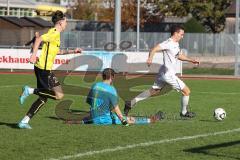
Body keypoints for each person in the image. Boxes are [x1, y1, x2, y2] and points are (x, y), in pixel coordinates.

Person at [18, 10, 82, 129]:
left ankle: (24, 121)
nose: (66, 24)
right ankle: (29, 90)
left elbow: (58, 51)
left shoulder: (56, 35)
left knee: (44, 97)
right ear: (60, 22)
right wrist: (33, 55)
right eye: (66, 21)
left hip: (46, 69)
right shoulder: (53, 33)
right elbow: (39, 39)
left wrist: (73, 51)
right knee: (58, 96)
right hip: (43, 69)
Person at [124, 25, 200, 118]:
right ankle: (184, 113)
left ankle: (130, 103)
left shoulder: (175, 44)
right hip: (168, 74)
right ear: (175, 33)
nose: (182, 36)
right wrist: (150, 58)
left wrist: (191, 60)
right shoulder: (168, 43)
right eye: (181, 34)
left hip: (163, 72)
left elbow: (179, 56)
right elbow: (154, 49)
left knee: (154, 90)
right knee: (186, 91)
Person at [80, 68, 164, 126]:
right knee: (131, 119)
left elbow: (90, 102)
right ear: (112, 77)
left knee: (89, 118)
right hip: (104, 119)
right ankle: (152, 120)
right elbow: (116, 109)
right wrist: (123, 120)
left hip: (94, 116)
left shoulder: (95, 85)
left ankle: (81, 121)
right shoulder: (111, 89)